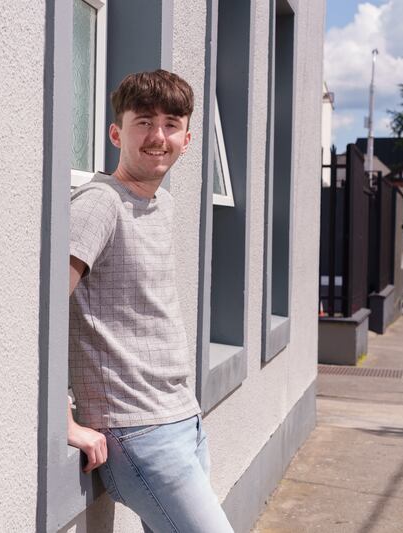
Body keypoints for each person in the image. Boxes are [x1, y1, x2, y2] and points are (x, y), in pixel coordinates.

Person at [66, 69, 234, 533]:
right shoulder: (99, 204)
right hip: (137, 430)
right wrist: (63, 420)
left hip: (183, 419)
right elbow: (41, 311)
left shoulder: (163, 204)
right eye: (143, 122)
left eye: (171, 124)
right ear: (116, 133)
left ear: (187, 139)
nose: (158, 136)